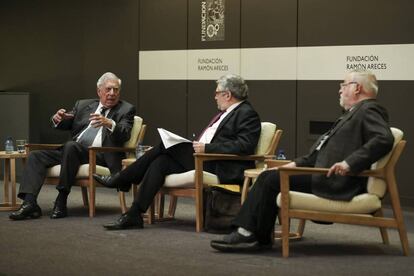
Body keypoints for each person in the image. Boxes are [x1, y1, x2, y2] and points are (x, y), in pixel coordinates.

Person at [210, 69, 395, 252]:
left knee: (269, 180)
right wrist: (291, 166)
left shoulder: (369, 108)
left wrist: (349, 163)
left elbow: (383, 138)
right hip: (324, 175)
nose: (340, 90)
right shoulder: (353, 113)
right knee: (271, 175)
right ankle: (258, 235)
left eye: (343, 85)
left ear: (357, 88)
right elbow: (317, 155)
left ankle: (247, 232)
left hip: (337, 180)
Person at [93, 73, 261, 230]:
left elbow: (245, 145)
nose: (214, 96)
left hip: (219, 165)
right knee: (160, 162)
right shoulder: (226, 113)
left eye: (217, 93)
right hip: (205, 159)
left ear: (228, 94)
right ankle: (134, 214)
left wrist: (207, 148)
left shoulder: (247, 113)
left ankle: (122, 178)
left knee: (166, 145)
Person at [9, 72, 136, 220]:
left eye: (116, 90)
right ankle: (29, 204)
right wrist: (58, 119)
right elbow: (66, 122)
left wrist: (109, 123)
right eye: (108, 89)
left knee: (71, 146)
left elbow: (125, 133)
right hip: (73, 152)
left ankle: (61, 199)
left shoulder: (126, 109)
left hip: (100, 155)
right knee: (35, 156)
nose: (112, 93)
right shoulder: (83, 105)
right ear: (99, 91)